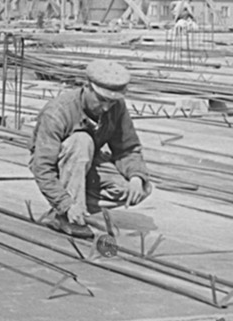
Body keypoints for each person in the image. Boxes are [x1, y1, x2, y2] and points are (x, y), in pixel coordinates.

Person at [28, 59, 152, 239]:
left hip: (87, 162)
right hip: (57, 163)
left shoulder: (115, 107)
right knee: (81, 141)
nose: (105, 107)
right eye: (101, 100)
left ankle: (70, 210)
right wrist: (65, 204)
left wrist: (136, 177)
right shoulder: (58, 112)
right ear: (87, 87)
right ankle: (67, 214)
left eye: (111, 101)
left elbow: (127, 148)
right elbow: (42, 167)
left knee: (136, 188)